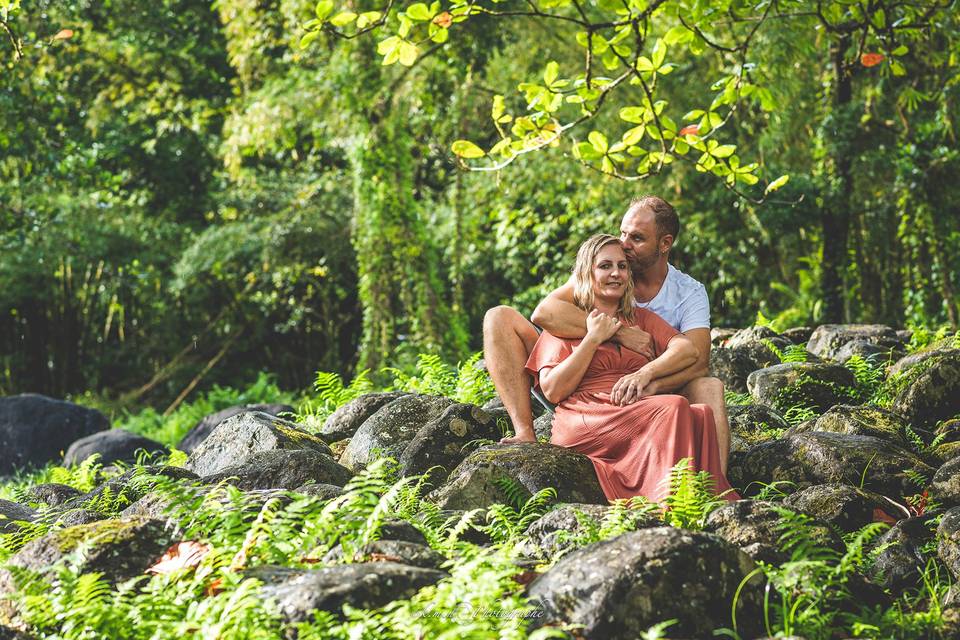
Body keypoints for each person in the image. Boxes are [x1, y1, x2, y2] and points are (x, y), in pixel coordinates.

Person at [483, 195, 731, 472]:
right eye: (623, 232)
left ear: (665, 243)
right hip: (576, 373)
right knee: (498, 317)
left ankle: (717, 487)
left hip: (647, 385)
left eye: (636, 238)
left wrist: (646, 383)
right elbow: (544, 312)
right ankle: (525, 433)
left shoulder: (688, 292)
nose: (625, 244)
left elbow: (697, 361)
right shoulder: (607, 267)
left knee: (709, 386)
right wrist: (618, 334)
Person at [524, 234, 736, 502]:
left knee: (701, 413)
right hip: (586, 413)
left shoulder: (640, 319)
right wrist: (593, 338)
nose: (616, 274)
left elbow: (687, 350)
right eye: (605, 266)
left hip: (630, 405)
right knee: (673, 407)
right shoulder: (568, 320)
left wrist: (644, 373)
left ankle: (705, 500)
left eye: (622, 266)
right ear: (586, 273)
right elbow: (552, 391)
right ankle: (666, 503)